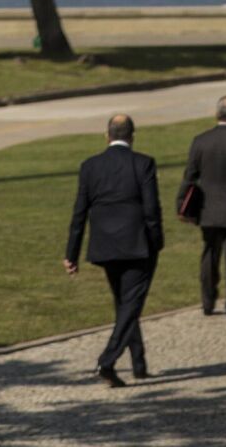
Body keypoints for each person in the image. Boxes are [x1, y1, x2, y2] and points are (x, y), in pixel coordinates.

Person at [64, 114, 163, 388]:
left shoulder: (90, 166)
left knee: (124, 303)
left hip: (104, 245)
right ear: (132, 136)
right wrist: (157, 242)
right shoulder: (143, 163)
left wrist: (71, 253)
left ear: (107, 135)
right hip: (137, 245)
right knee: (130, 305)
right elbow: (152, 210)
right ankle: (107, 361)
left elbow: (79, 213)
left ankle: (139, 363)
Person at [178, 95, 226, 325]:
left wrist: (182, 206)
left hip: (207, 210)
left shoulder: (201, 141)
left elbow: (189, 177)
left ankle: (207, 301)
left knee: (209, 255)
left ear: (216, 114)